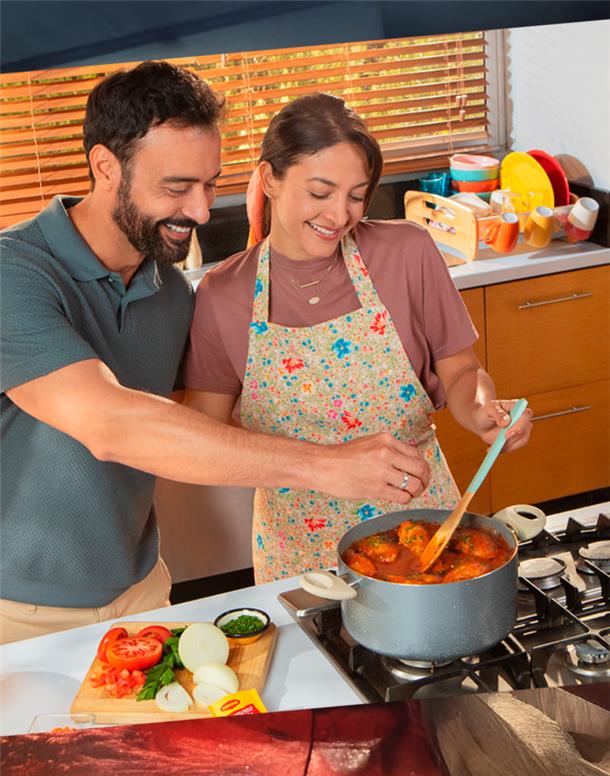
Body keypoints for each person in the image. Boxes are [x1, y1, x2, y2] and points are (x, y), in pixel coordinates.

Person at [0, 65, 431, 644]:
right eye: (177, 188)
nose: (202, 211)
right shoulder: (15, 273)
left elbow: (203, 417)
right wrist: (329, 465)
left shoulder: (172, 293)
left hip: (143, 588)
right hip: (16, 613)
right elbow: (111, 423)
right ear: (106, 167)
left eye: (210, 184)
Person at [183, 92, 533, 583]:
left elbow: (462, 371)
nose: (338, 216)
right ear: (270, 178)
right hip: (298, 554)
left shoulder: (407, 252)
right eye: (320, 192)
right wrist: (313, 465)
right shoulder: (223, 294)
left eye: (355, 195)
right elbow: (204, 441)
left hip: (423, 533)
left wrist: (483, 412)